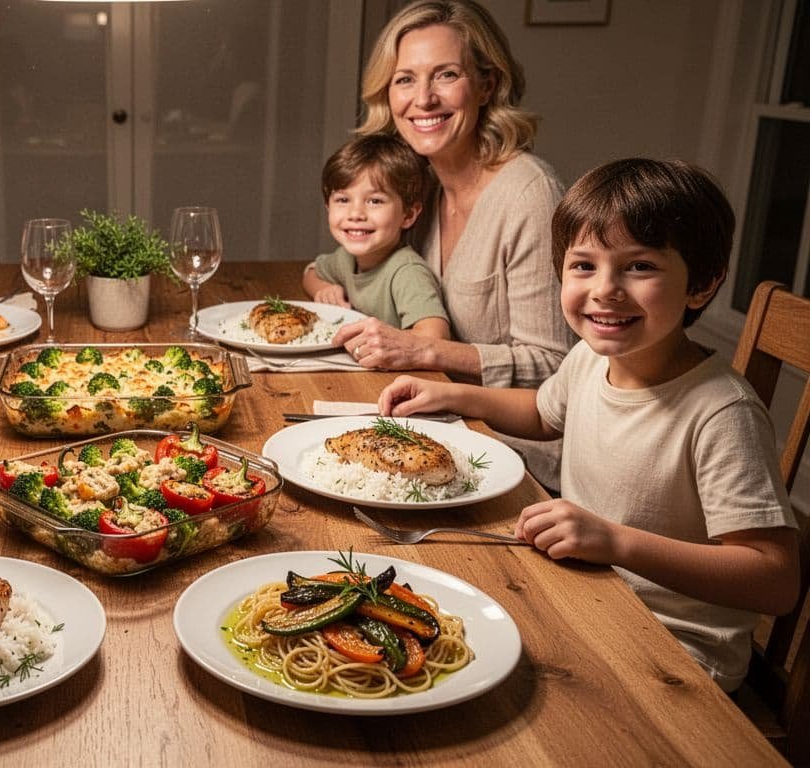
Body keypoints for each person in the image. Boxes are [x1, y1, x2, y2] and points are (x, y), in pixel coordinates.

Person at [376, 158, 800, 692]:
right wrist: (454, 394)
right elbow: (542, 415)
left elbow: (775, 579)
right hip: (589, 597)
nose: (605, 289)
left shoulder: (720, 412)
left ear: (703, 283)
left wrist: (616, 542)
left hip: (675, 656)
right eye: (583, 266)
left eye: (640, 266)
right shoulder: (590, 360)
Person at [336, 0, 574, 488]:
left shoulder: (529, 194)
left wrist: (428, 352)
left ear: (487, 84)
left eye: (445, 75)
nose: (423, 98)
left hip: (520, 464)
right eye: (405, 79)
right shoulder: (418, 184)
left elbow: (556, 371)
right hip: (434, 435)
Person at [302, 133, 449, 339]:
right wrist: (324, 289)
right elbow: (311, 273)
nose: (355, 214)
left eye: (375, 201)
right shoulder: (346, 258)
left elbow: (436, 337)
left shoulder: (406, 273)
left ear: (408, 215)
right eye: (343, 199)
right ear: (328, 206)